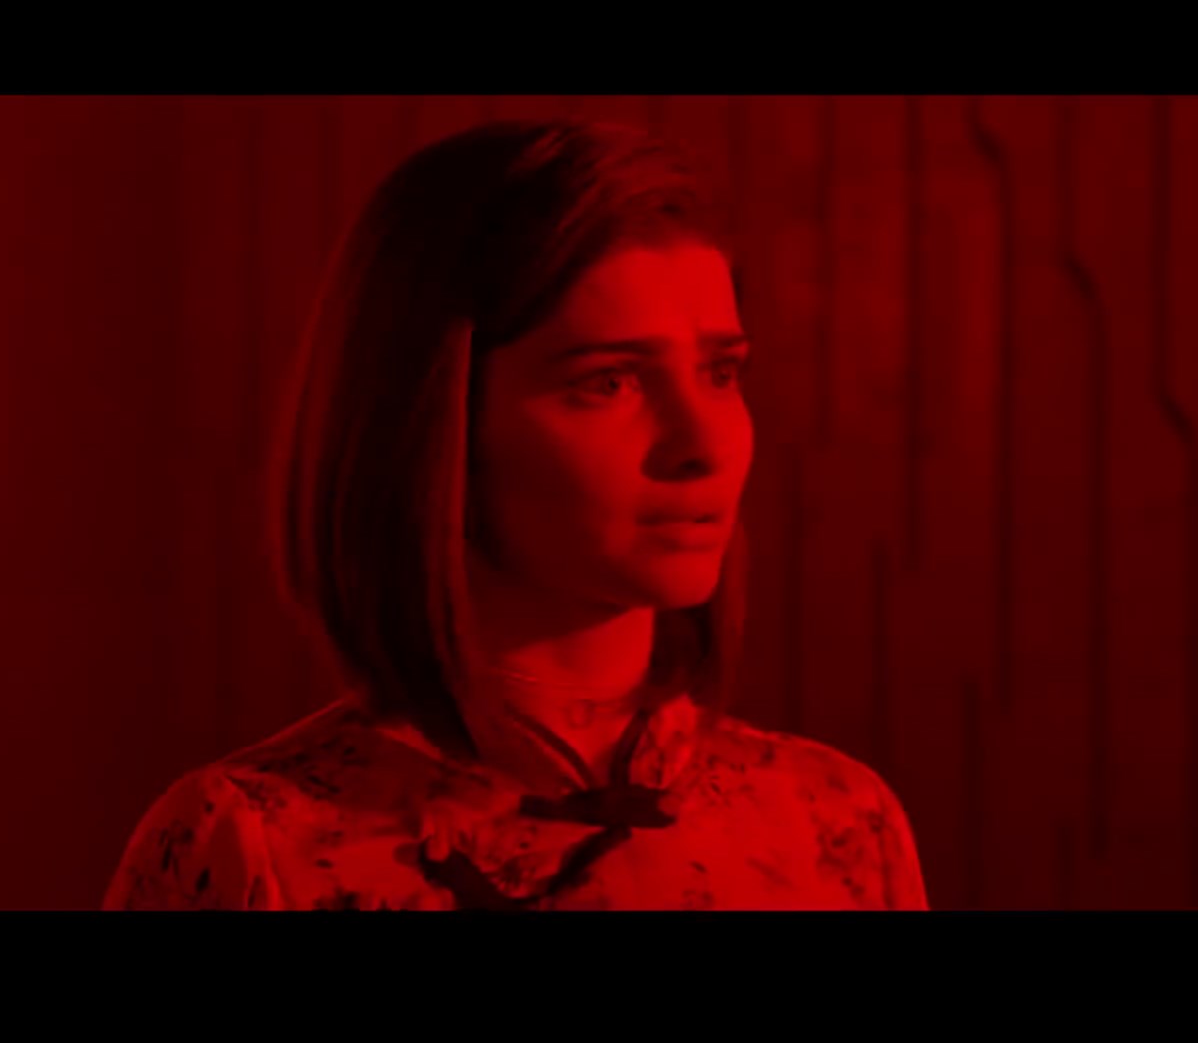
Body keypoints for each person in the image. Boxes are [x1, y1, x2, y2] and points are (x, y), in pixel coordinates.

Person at [102, 119, 928, 910]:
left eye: (720, 372)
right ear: (436, 422)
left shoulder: (833, 824)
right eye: (609, 382)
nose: (702, 445)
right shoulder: (257, 843)